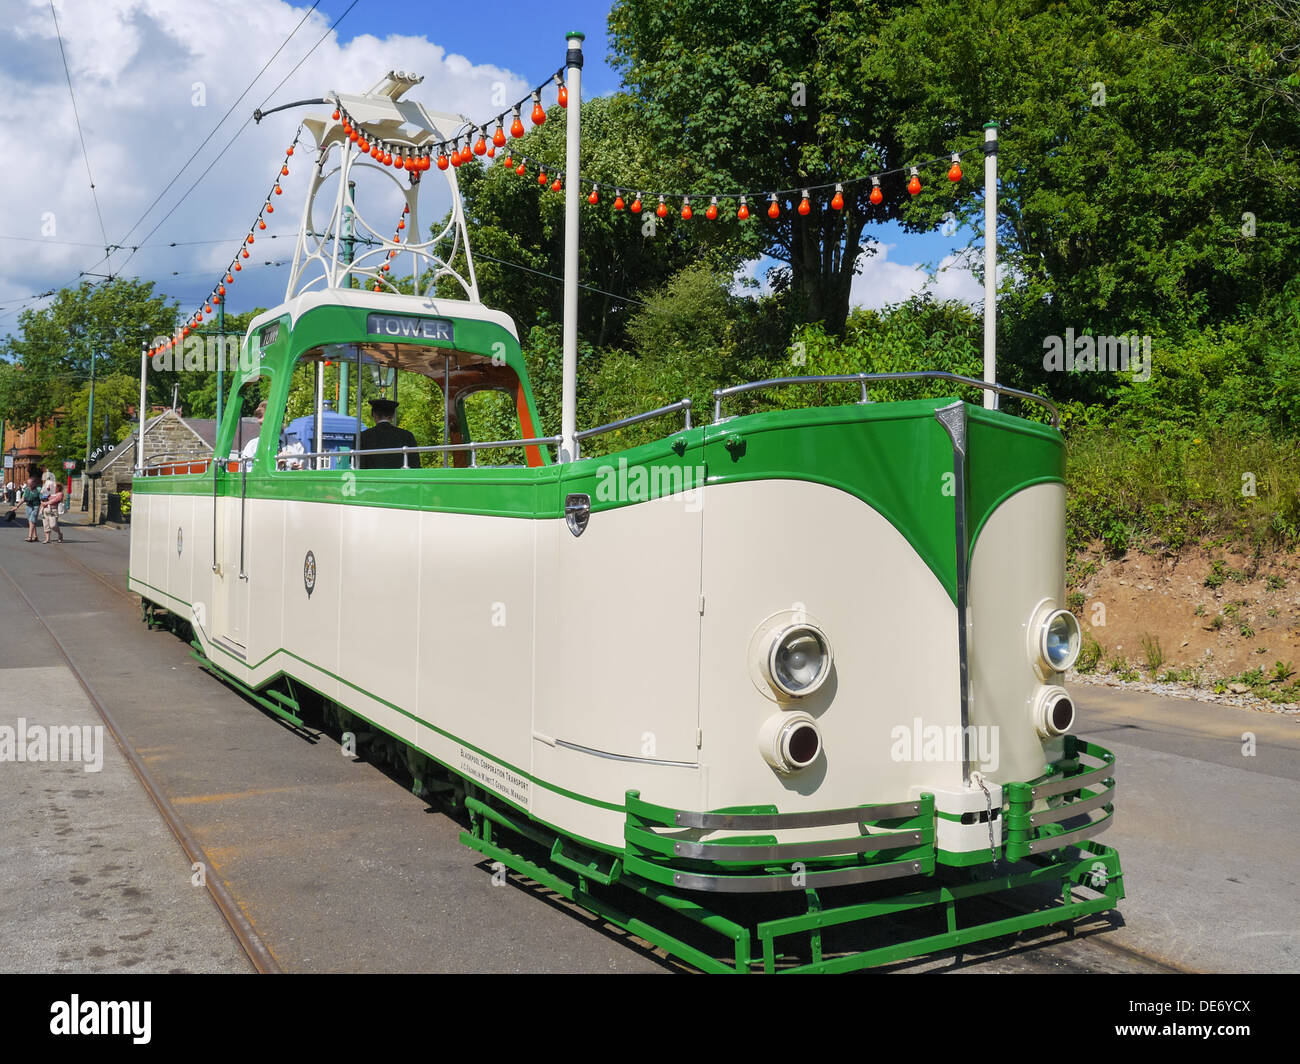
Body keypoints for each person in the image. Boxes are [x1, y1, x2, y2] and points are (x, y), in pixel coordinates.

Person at [358, 398, 419, 469]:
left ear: (373, 414)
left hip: (372, 478)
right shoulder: (407, 435)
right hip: (400, 478)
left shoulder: (363, 437)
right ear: (393, 415)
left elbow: (359, 464)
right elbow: (415, 464)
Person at [41, 478, 65, 544]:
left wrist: (46, 503)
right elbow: (42, 498)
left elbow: (55, 500)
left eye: (54, 487)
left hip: (53, 510)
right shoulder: (48, 493)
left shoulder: (60, 494)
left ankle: (60, 534)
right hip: (45, 509)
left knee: (53, 525)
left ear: (58, 488)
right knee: (46, 525)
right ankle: (47, 539)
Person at [21, 474, 41, 542]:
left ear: (34, 483)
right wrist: (16, 506)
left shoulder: (38, 489)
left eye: (30, 483)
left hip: (36, 506)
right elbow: (23, 499)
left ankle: (29, 537)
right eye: (27, 483)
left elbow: (42, 499)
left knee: (32, 521)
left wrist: (43, 508)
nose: (28, 484)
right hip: (28, 506)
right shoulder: (26, 489)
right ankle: (35, 536)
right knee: (31, 521)